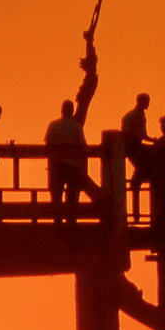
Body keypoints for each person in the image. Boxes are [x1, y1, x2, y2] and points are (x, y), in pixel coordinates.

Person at [44, 30, 106, 223]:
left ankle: (57, 219)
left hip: (56, 167)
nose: (78, 92)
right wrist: (89, 46)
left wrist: (90, 46)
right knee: (72, 195)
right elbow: (82, 145)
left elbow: (89, 84)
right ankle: (71, 220)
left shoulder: (54, 125)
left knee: (57, 196)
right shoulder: (76, 125)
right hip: (72, 167)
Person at [122, 92, 152, 205]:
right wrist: (153, 141)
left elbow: (142, 134)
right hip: (132, 146)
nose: (148, 104)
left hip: (135, 145)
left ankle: (136, 182)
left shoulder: (139, 115)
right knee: (144, 165)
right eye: (147, 101)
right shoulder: (134, 116)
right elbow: (140, 135)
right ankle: (136, 182)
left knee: (144, 166)